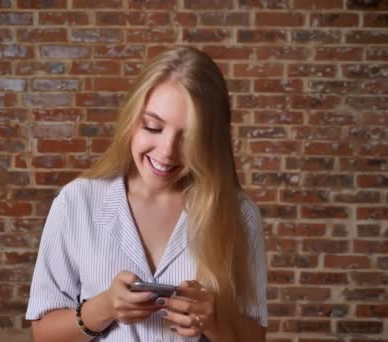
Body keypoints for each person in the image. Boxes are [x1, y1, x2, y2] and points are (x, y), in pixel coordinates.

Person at [26, 46, 267, 341]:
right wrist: (102, 308)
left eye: (189, 138)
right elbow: (43, 336)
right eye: (153, 127)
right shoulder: (76, 202)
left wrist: (213, 321)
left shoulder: (239, 214)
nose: (167, 152)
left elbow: (254, 337)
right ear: (131, 121)